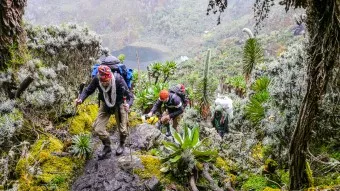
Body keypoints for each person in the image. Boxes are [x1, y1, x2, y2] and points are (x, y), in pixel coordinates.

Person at [75, 65, 134, 160]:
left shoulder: (118, 80)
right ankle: (107, 147)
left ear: (110, 77)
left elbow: (130, 96)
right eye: (102, 82)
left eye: (106, 81)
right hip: (105, 103)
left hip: (119, 103)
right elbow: (88, 90)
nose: (104, 84)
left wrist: (128, 104)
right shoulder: (97, 79)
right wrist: (81, 99)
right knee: (98, 129)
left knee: (123, 130)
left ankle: (122, 144)